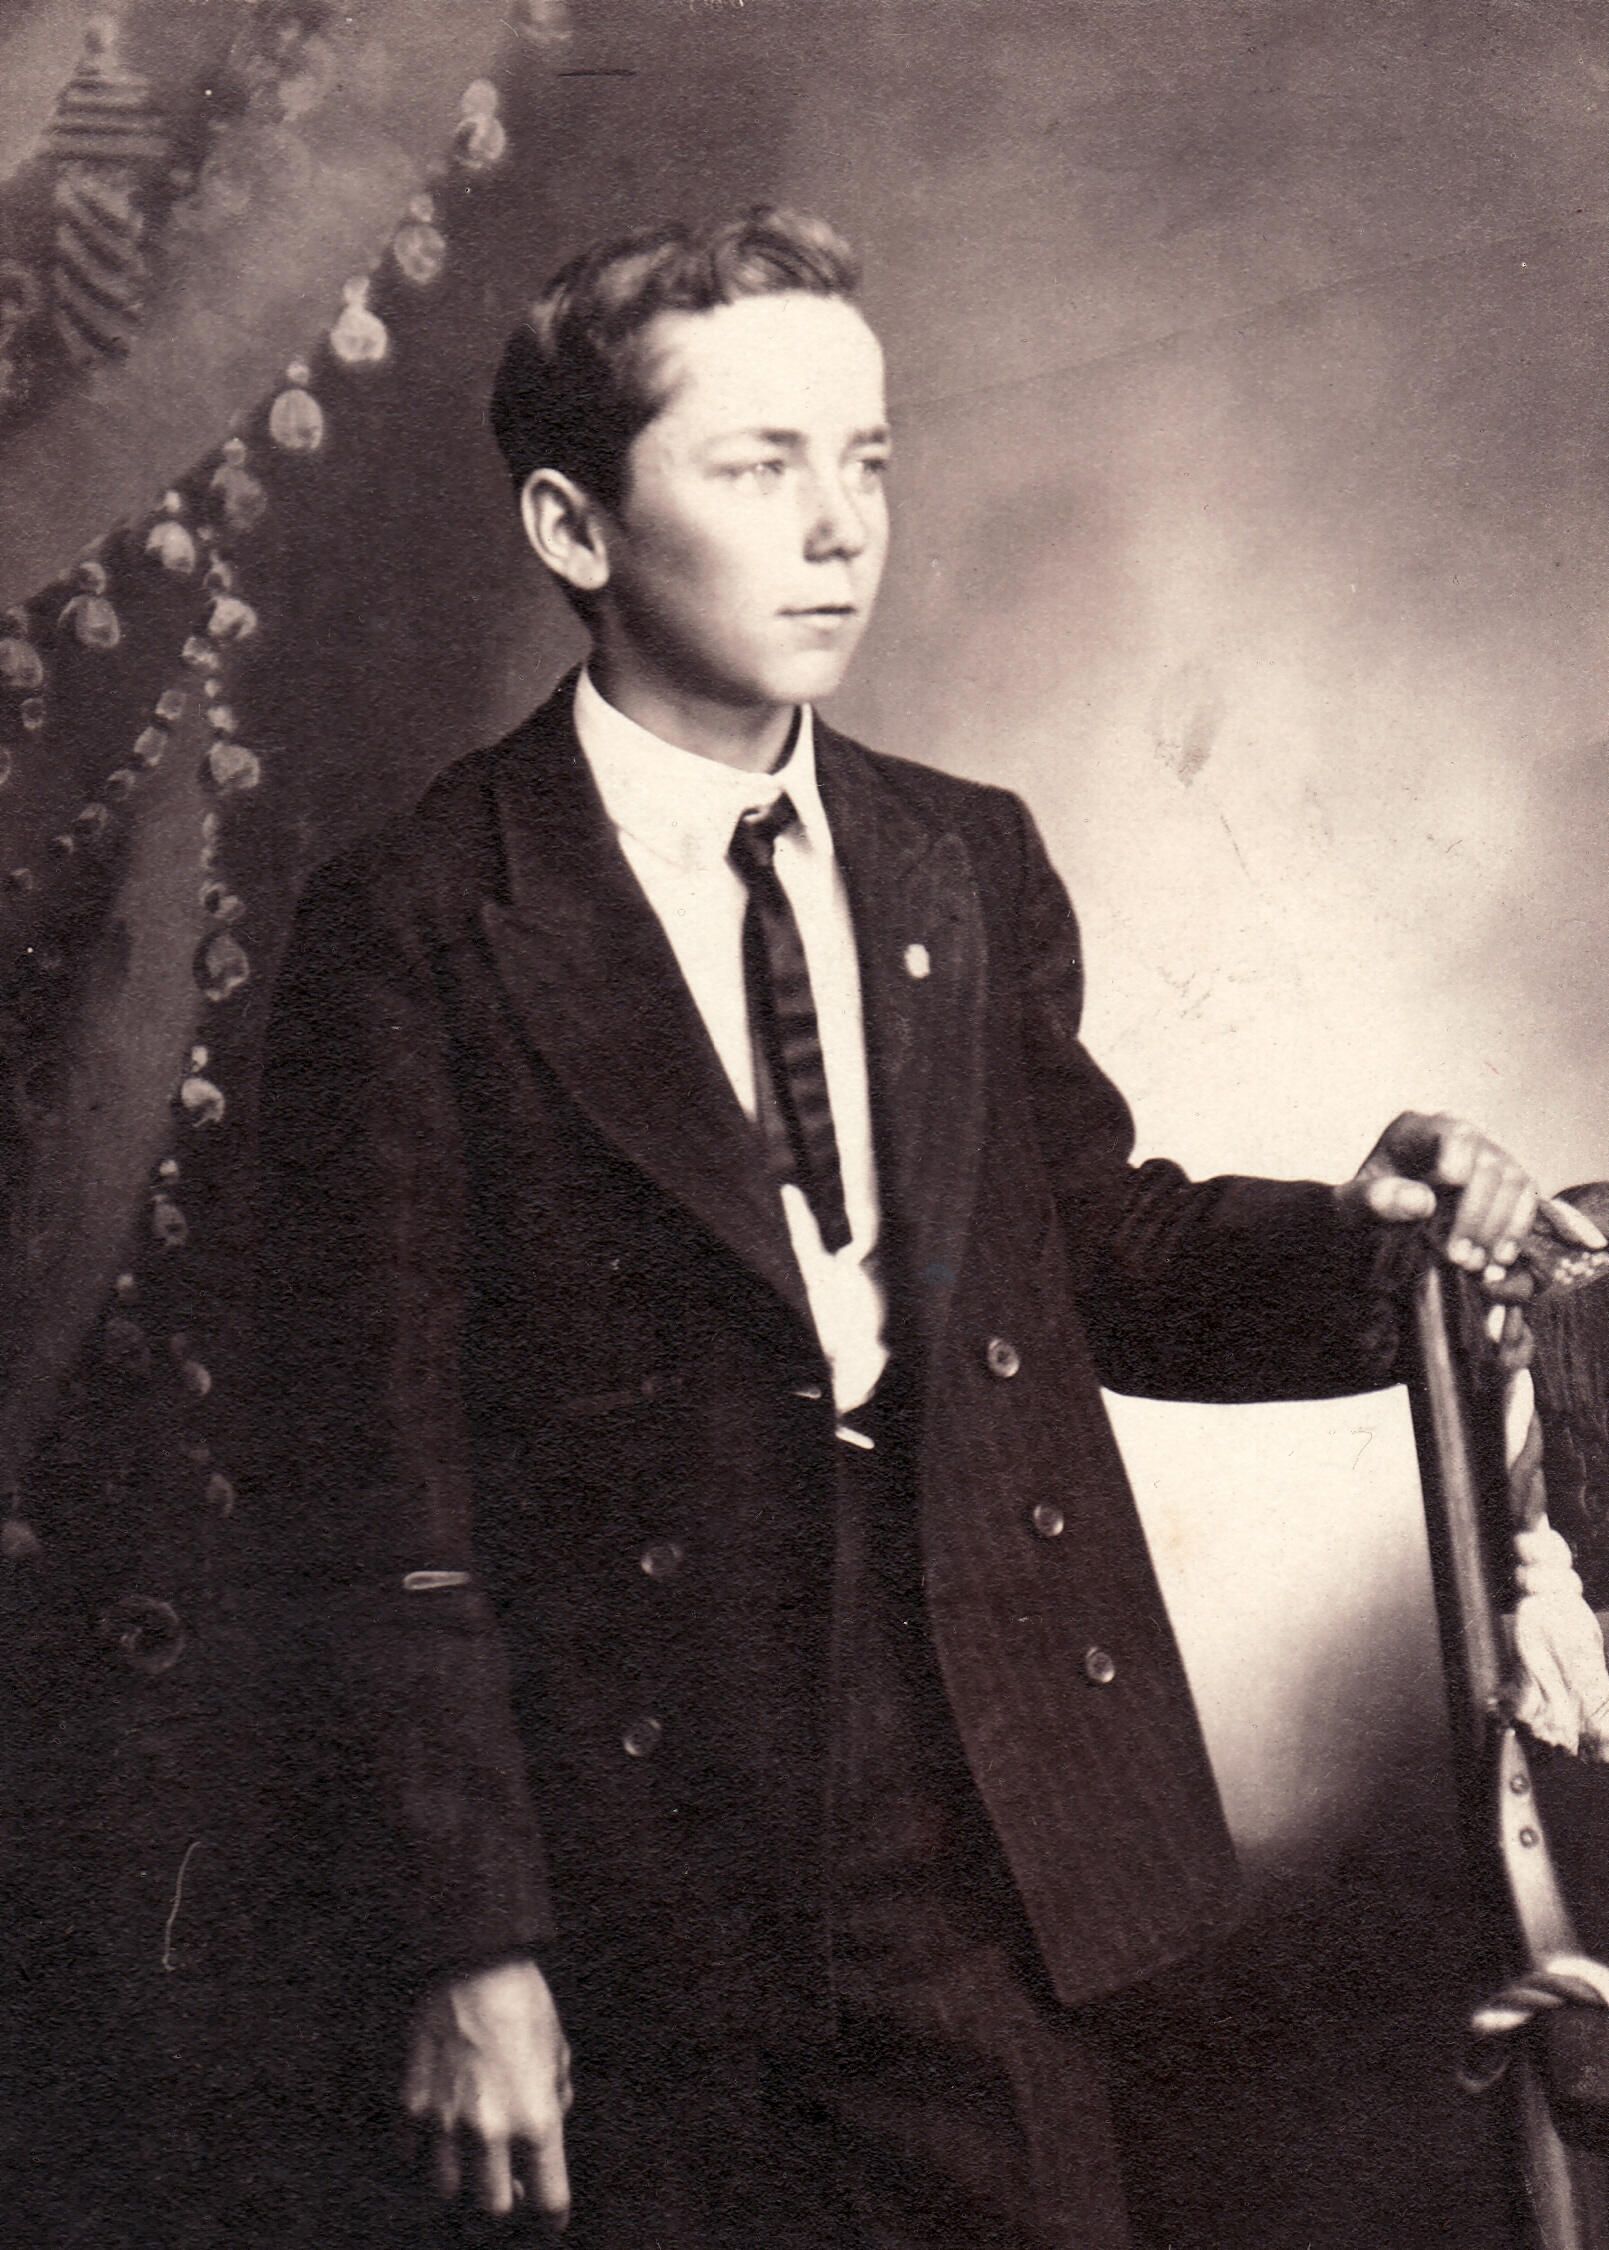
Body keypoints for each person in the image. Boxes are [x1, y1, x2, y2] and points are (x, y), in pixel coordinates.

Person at [253, 206, 1539, 2248]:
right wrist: (468, 1941)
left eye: (864, 458)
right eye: (756, 466)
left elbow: (1088, 1253)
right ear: (574, 528)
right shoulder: (418, 922)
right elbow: (367, 1483)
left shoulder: (957, 857)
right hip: (630, 1842)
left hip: (983, 1804)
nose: (839, 527)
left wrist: (1367, 1250)